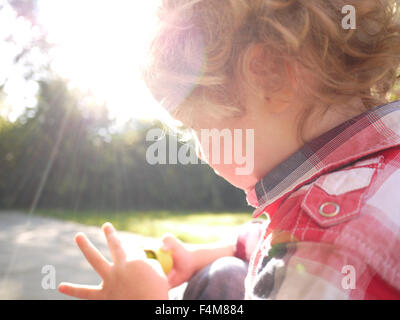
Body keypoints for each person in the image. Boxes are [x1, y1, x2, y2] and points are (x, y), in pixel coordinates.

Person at [58, 0, 400, 299]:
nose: (201, 152)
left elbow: (302, 243)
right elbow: (265, 239)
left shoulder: (328, 247)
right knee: (222, 272)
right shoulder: (368, 179)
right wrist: (201, 255)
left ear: (270, 76)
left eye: (196, 128)